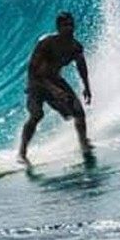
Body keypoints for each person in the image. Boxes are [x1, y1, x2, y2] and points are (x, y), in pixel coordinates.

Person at [19, 12, 93, 165]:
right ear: (58, 28)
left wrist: (87, 87)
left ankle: (83, 144)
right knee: (37, 115)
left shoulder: (75, 47)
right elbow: (34, 71)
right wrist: (53, 90)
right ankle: (22, 153)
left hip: (54, 79)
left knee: (78, 112)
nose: (70, 28)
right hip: (37, 82)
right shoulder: (46, 43)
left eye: (71, 24)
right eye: (65, 25)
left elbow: (82, 67)